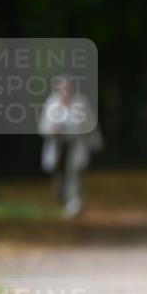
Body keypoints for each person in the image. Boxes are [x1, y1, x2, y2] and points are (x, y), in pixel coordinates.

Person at [38, 76, 103, 217]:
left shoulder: (81, 103)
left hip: (75, 144)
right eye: (62, 87)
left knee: (73, 174)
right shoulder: (51, 103)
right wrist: (52, 129)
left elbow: (91, 124)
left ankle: (74, 203)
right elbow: (43, 126)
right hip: (58, 145)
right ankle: (64, 198)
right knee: (59, 175)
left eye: (67, 87)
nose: (65, 90)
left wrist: (90, 139)